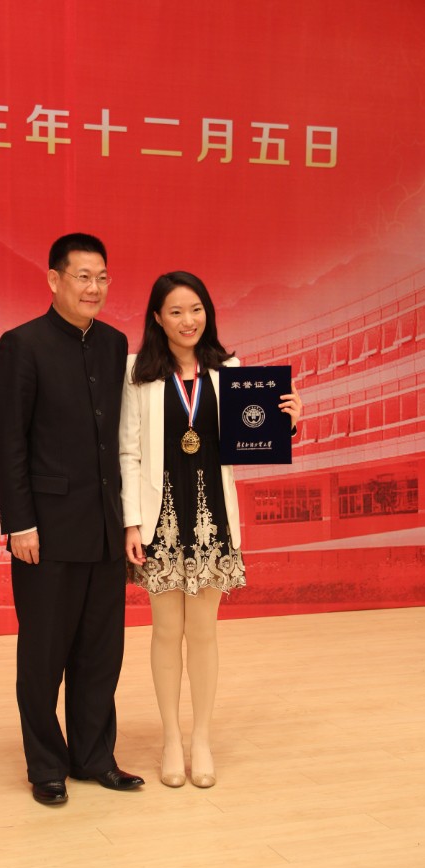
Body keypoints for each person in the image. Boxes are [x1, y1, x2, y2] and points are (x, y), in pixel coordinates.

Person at [119, 271, 302, 788]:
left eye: (196, 309)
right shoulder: (137, 372)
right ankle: (170, 740)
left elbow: (253, 439)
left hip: (212, 520)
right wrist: (131, 521)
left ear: (208, 313)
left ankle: (201, 738)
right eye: (176, 311)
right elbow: (128, 452)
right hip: (160, 520)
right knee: (165, 632)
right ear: (157, 318)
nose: (188, 320)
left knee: (203, 632)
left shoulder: (232, 372)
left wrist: (287, 420)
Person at [0, 232, 144, 806]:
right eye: (82, 276)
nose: (93, 287)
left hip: (104, 528)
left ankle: (94, 757)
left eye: (102, 277)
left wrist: (128, 521)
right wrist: (19, 523)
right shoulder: (21, 345)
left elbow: (126, 435)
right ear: (54, 279)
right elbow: (9, 442)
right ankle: (46, 765)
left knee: (100, 654)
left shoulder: (114, 344)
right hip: (46, 531)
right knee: (43, 655)